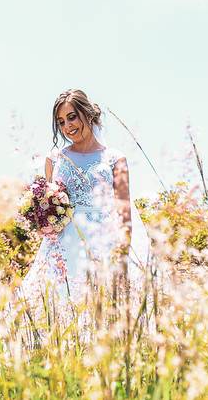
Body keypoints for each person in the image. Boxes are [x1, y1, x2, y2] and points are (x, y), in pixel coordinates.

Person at [19, 89, 149, 306]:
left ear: (88, 114)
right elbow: (46, 207)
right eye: (61, 122)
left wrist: (123, 259)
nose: (67, 126)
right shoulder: (55, 159)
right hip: (62, 246)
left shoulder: (115, 159)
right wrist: (43, 220)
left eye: (72, 117)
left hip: (103, 243)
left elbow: (125, 216)